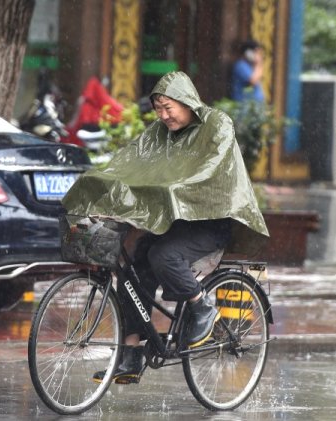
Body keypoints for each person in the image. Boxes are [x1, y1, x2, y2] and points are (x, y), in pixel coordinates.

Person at [62, 71, 269, 385]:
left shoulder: (216, 124)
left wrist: (176, 187)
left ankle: (203, 307)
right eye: (158, 108)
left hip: (209, 221)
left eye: (168, 106)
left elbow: (210, 169)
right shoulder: (159, 132)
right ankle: (130, 354)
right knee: (135, 270)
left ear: (186, 101)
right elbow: (130, 160)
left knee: (163, 254)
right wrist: (103, 181)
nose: (163, 114)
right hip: (173, 221)